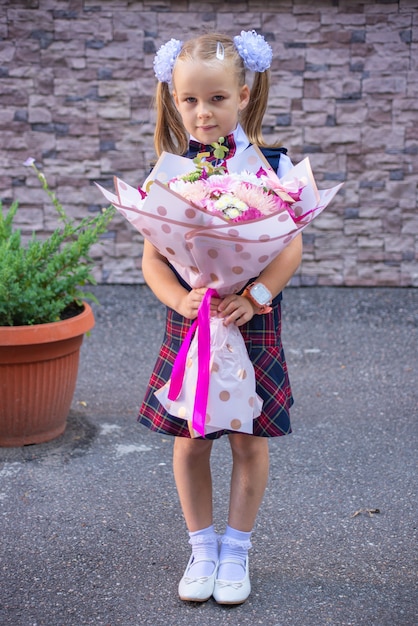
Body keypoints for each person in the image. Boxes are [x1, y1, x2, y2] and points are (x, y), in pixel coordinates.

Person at [138, 30, 303, 605]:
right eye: (190, 100)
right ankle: (201, 548)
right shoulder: (167, 171)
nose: (203, 112)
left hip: (251, 317)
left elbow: (288, 247)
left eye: (216, 98)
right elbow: (153, 260)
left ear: (242, 94)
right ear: (173, 99)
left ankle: (237, 550)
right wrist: (175, 298)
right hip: (195, 321)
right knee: (190, 439)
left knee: (248, 439)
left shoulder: (271, 165)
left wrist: (256, 294)